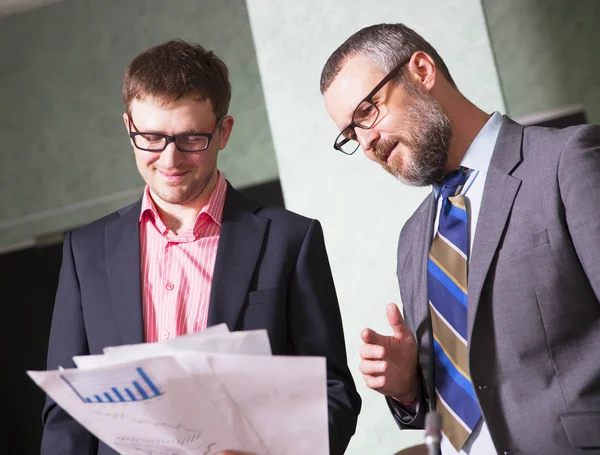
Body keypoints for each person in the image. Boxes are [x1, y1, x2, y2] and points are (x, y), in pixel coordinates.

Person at [41, 39, 361, 455]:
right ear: (128, 128)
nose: (170, 160)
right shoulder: (85, 252)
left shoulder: (290, 240)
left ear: (223, 131)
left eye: (191, 138)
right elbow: (67, 413)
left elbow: (332, 394)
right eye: (151, 138)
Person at [321, 23, 600, 455]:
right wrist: (409, 387)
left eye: (366, 113)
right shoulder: (413, 239)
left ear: (421, 71)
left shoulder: (567, 162)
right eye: (350, 134)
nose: (367, 142)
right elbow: (463, 390)